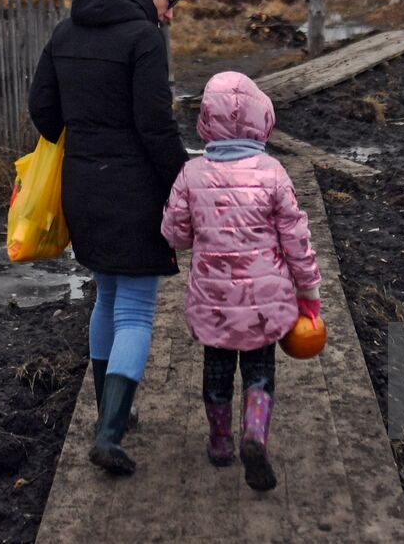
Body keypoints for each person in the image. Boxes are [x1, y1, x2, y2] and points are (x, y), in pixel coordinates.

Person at [28, 0, 189, 476]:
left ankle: (109, 412)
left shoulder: (66, 29)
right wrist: (184, 181)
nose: (171, 12)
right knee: (136, 311)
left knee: (107, 297)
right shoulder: (143, 38)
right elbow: (154, 124)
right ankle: (111, 431)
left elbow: (42, 109)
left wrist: (86, 139)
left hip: (83, 187)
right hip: (134, 190)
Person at [160, 71, 322, 492]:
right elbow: (296, 239)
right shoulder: (272, 172)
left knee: (216, 371)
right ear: (260, 118)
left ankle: (219, 441)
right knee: (259, 372)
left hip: (212, 299)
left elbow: (175, 236)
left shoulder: (191, 174)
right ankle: (255, 435)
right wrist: (309, 292)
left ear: (206, 121)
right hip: (264, 300)